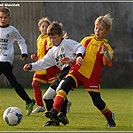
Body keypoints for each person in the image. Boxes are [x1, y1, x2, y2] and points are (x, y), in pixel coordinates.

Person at [44, 14, 116, 128]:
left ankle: (109, 116)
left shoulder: (105, 46)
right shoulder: (86, 40)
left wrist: (106, 52)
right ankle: (54, 111)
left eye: (101, 29)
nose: (97, 31)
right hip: (77, 71)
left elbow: (109, 59)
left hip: (91, 76)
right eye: (96, 27)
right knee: (64, 86)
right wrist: (71, 60)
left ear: (107, 31)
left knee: (97, 102)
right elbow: (77, 53)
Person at [23, 21, 85, 126]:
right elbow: (43, 62)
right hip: (62, 74)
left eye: (54, 38)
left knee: (60, 90)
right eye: (50, 38)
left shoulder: (67, 43)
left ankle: (63, 114)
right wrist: (31, 66)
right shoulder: (52, 51)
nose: (52, 40)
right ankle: (54, 120)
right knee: (47, 97)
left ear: (61, 36)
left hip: (70, 71)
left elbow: (80, 47)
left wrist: (78, 56)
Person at [0, 7, 35, 116]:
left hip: (6, 59)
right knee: (13, 82)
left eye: (5, 17)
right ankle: (29, 101)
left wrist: (24, 52)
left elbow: (21, 41)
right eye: (1, 17)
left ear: (9, 18)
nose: (3, 19)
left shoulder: (12, 30)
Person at [30, 17, 61, 113]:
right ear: (39, 28)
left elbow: (52, 48)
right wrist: (35, 55)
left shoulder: (49, 39)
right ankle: (40, 106)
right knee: (35, 84)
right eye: (42, 26)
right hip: (40, 67)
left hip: (49, 68)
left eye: (46, 27)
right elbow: (41, 50)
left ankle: (64, 102)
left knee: (55, 87)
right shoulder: (39, 38)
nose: (44, 28)